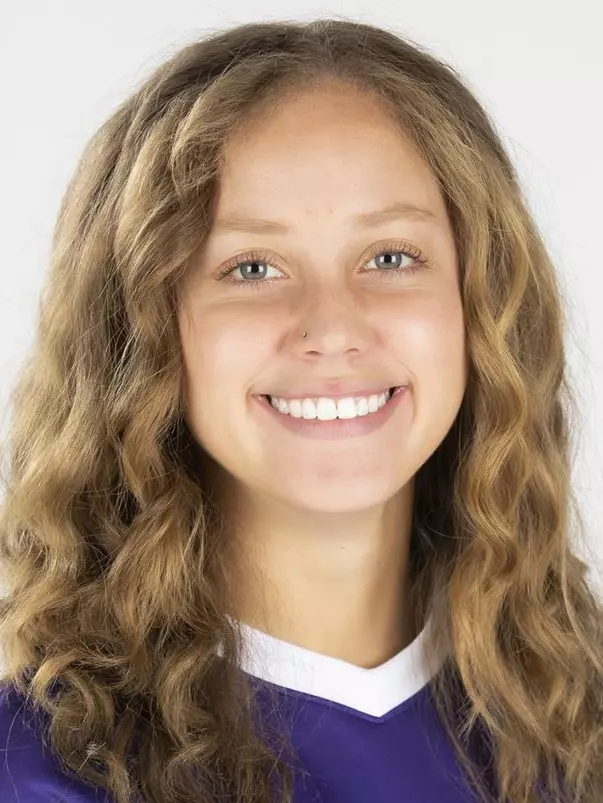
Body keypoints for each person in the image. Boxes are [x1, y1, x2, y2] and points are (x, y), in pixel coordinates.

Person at [0, 16, 600, 803]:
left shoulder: (572, 712)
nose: (332, 328)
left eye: (390, 256)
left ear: (480, 301)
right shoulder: (45, 767)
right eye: (252, 266)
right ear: (135, 329)